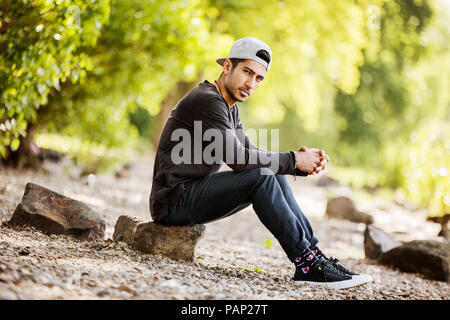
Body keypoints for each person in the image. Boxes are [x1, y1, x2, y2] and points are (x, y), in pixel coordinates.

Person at [149, 37, 372, 289]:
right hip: (172, 201)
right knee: (262, 176)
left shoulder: (229, 107)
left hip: (190, 192)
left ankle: (314, 255)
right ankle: (307, 263)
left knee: (271, 173)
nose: (251, 83)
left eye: (258, 78)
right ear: (227, 67)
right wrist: (293, 159)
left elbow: (250, 152)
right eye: (247, 72)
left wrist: (298, 164)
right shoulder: (207, 100)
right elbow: (238, 160)